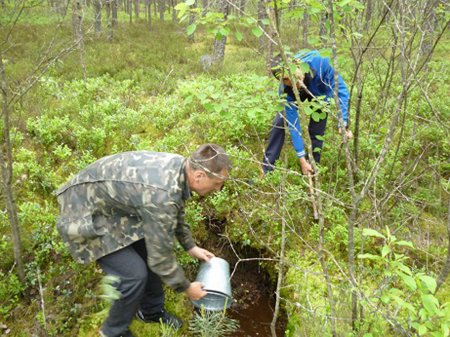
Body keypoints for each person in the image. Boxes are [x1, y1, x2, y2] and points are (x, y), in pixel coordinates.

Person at [55, 144, 232, 337]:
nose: (218, 188)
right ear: (199, 176)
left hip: (112, 204)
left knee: (147, 253)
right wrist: (187, 288)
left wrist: (190, 246)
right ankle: (113, 331)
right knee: (133, 275)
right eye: (217, 183)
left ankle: (150, 312)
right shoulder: (161, 195)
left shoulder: (180, 169)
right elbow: (161, 259)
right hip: (82, 209)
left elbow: (175, 209)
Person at [262, 50, 353, 175]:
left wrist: (342, 124)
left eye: (293, 76)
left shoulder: (322, 64)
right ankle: (267, 169)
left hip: (319, 92)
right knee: (280, 122)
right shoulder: (285, 89)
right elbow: (294, 126)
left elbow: (342, 92)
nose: (293, 83)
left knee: (317, 129)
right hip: (296, 94)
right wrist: (301, 159)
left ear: (298, 66)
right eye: (286, 80)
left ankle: (312, 168)